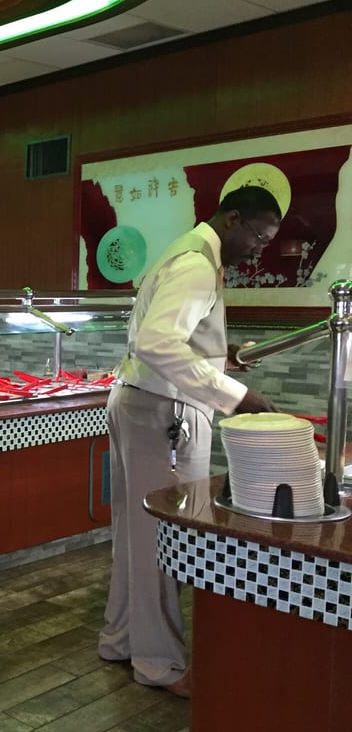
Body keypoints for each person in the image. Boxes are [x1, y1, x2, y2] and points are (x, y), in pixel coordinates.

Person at [98, 185, 281, 699]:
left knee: (137, 534)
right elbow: (157, 343)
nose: (258, 249)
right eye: (259, 237)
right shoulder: (198, 264)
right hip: (164, 413)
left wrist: (225, 356)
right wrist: (235, 396)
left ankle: (122, 639)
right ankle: (159, 663)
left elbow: (173, 338)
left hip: (142, 403)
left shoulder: (190, 251)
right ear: (233, 219)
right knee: (166, 539)